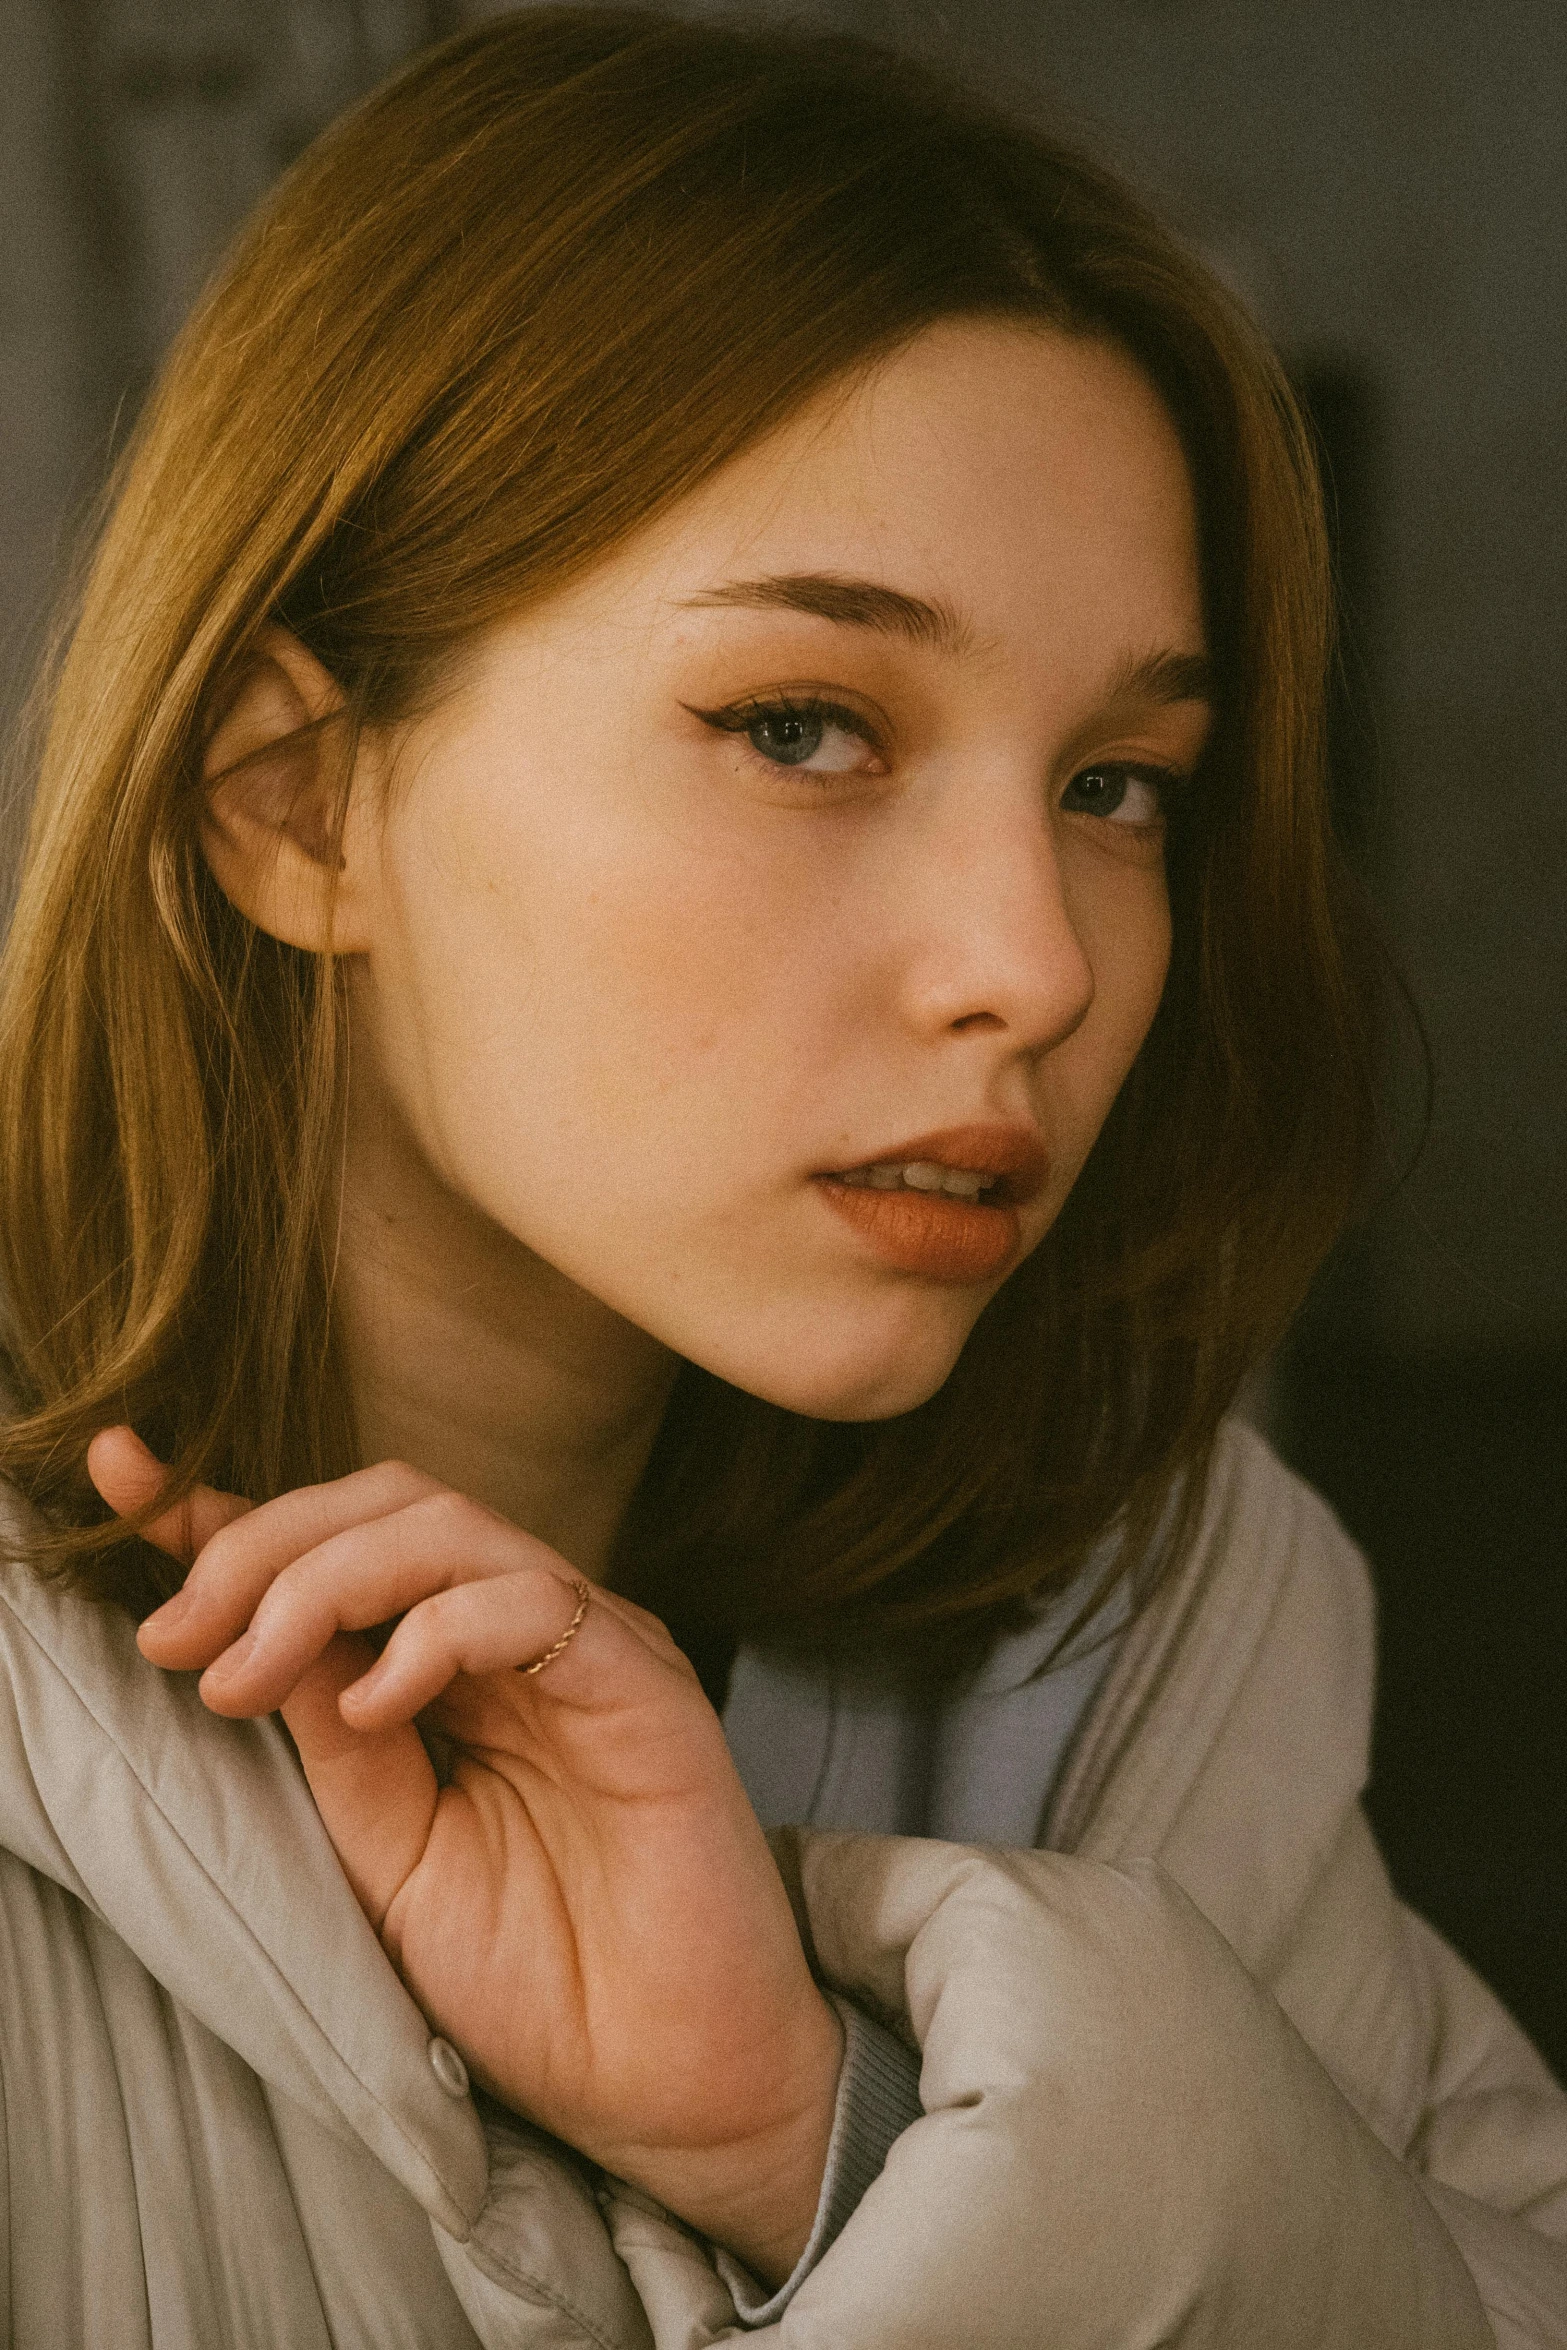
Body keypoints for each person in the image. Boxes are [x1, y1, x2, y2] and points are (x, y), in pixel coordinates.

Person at [0, 9, 1562, 2344]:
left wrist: (821, 2132)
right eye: (804, 726)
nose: (1036, 963)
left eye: (1122, 783)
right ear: (298, 803)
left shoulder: (1169, 1631)